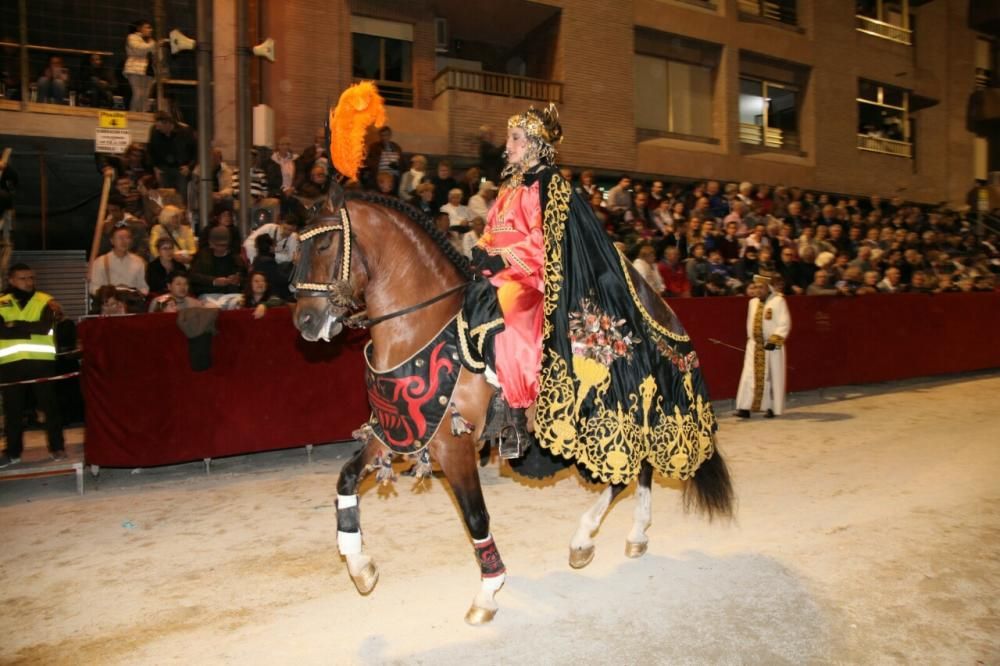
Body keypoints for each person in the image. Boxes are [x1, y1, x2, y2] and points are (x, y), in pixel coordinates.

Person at [468, 104, 718, 482]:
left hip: (531, 279)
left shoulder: (550, 187)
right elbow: (493, 230)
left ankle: (514, 412)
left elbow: (547, 244)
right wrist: (483, 249)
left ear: (535, 144)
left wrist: (503, 257)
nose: (509, 145)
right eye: (509, 138)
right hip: (497, 272)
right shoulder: (507, 189)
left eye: (516, 138)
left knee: (513, 317)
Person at [0, 264, 66, 467]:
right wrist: (28, 328)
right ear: (11, 280)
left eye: (30, 278)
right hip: (11, 364)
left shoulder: (45, 300)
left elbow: (44, 327)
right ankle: (13, 452)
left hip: (40, 363)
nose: (28, 282)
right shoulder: (2, 302)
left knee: (50, 408)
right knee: (13, 411)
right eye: (22, 278)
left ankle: (57, 447)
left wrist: (14, 325)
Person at [735, 274, 791, 419]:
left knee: (772, 376)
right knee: (748, 376)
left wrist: (775, 340)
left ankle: (771, 407)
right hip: (754, 346)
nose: (758, 290)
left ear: (768, 288)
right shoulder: (752, 302)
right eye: (756, 287)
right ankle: (744, 407)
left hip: (772, 345)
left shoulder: (778, 301)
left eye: (761, 287)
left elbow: (784, 323)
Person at [90, 226, 149, 297]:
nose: (124, 241)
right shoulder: (100, 261)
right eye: (120, 238)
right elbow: (93, 287)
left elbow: (143, 286)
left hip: (131, 303)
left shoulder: (138, 261)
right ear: (112, 241)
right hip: (110, 303)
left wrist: (136, 293)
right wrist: (109, 292)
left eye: (127, 238)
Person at [124, 20, 156, 112]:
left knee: (145, 96)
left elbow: (156, 55)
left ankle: (143, 114)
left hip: (148, 69)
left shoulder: (151, 41)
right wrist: (153, 45)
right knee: (137, 94)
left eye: (150, 28)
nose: (150, 30)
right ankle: (133, 114)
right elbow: (139, 49)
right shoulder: (132, 37)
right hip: (134, 68)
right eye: (147, 27)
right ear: (139, 28)